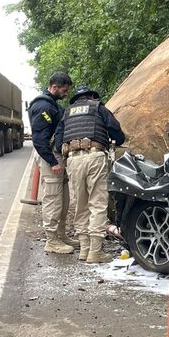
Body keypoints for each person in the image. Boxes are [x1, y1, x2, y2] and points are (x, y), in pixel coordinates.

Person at [54, 84, 126, 263]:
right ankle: (95, 252)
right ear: (92, 97)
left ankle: (84, 250)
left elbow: (57, 142)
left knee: (80, 205)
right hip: (94, 157)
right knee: (97, 203)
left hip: (72, 160)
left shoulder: (67, 113)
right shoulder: (98, 108)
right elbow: (118, 133)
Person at [29, 71, 74, 254]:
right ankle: (52, 240)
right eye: (63, 90)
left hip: (57, 157)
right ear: (54, 87)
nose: (65, 94)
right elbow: (39, 139)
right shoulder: (42, 107)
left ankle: (61, 235)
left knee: (63, 199)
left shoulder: (53, 105)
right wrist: (52, 161)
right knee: (53, 199)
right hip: (51, 158)